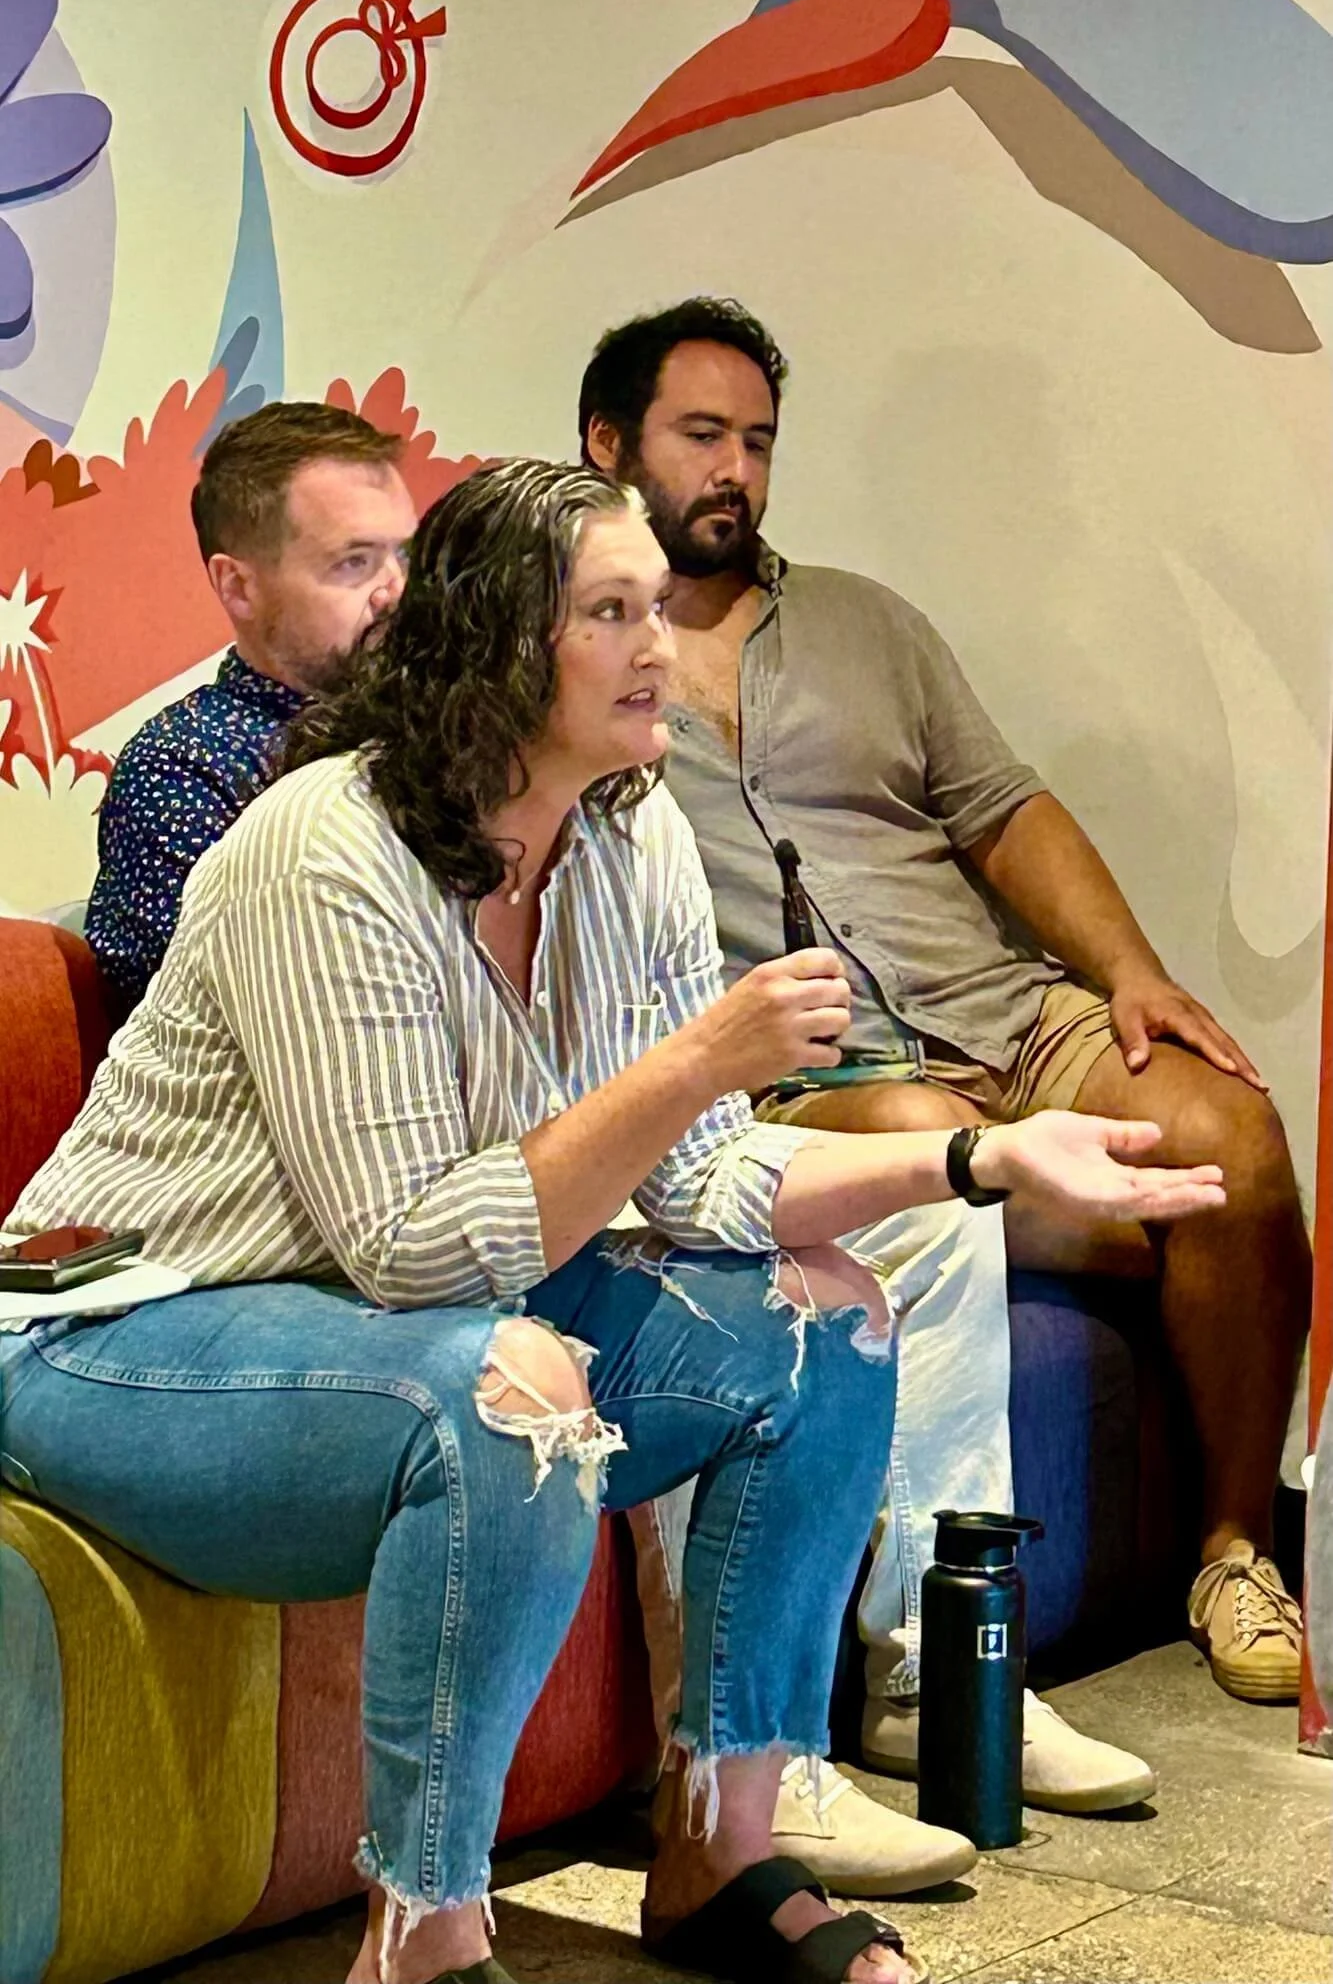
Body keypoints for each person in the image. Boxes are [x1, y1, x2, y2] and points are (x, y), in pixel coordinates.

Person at [1, 460, 1226, 1984]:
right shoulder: (323, 849)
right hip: (126, 1329)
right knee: (512, 1388)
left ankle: (723, 1851)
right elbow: (410, 1249)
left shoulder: (627, 832)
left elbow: (705, 1180)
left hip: (379, 1327)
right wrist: (695, 1059)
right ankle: (426, 1937)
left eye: (657, 605)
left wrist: (982, 1162)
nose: (662, 645)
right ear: (498, 644)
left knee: (826, 1313)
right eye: (613, 612)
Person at [579, 297, 1309, 1744]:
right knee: (929, 1143)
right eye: (702, 436)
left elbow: (998, 808)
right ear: (609, 443)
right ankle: (936, 1645)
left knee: (1229, 1136)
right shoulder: (578, 654)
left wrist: (1131, 976)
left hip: (999, 1014)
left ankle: (1236, 1554)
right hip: (806, 1071)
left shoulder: (864, 622)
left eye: (760, 444)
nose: (736, 471)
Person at [84, 400, 418, 1018]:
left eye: (403, 554)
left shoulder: (437, 731)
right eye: (354, 562)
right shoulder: (181, 768)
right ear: (238, 586)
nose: (396, 591)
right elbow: (235, 1010)